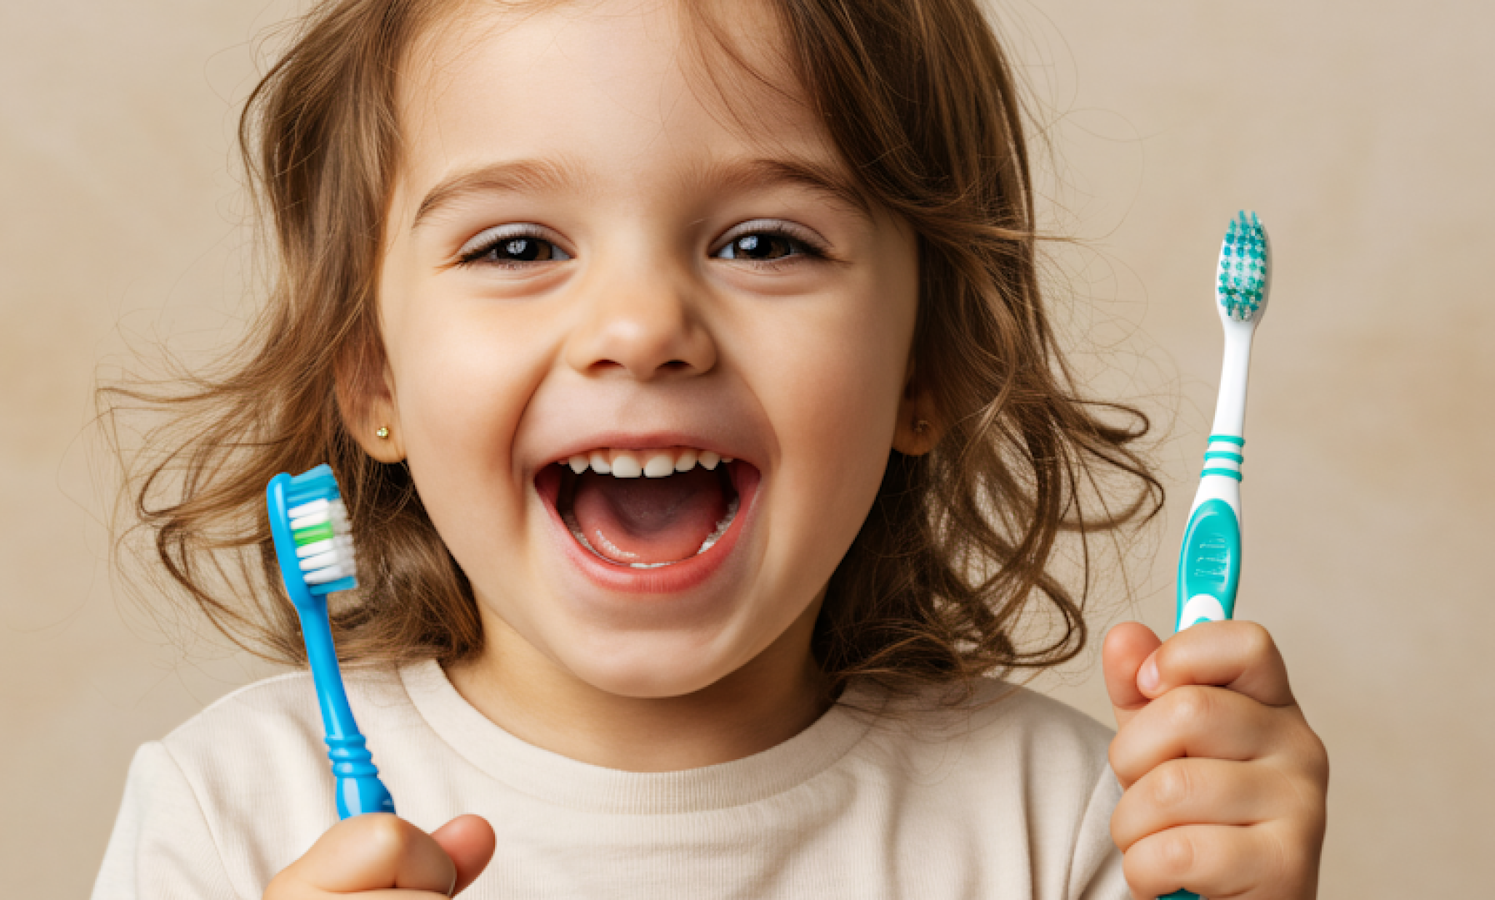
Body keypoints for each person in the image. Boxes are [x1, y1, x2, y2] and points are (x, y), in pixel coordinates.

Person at [93, 0, 1328, 897]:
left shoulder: (1073, 825)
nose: (641, 330)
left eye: (763, 243)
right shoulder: (239, 815)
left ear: (926, 364)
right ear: (373, 376)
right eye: (517, 247)